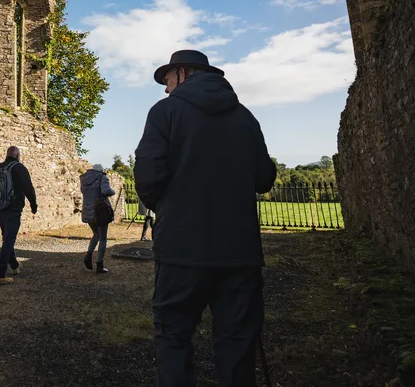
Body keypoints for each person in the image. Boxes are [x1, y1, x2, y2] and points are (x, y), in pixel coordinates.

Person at [134, 50, 277, 387]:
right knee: (237, 341)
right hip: (239, 250)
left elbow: (148, 178)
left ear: (183, 73)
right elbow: (264, 178)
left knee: (173, 335)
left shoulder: (164, 112)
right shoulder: (245, 117)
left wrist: (171, 210)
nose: (166, 88)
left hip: (181, 249)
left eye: (167, 79)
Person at [0, 146, 38, 285]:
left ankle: (15, 265)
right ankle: (0, 274)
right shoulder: (19, 168)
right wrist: (33, 205)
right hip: (13, 208)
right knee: (9, 239)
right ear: (18, 156)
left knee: (7, 237)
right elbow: (28, 188)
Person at [80, 163, 115, 274]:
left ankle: (88, 255)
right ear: (100, 170)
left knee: (96, 235)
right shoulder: (102, 177)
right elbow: (106, 191)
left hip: (88, 212)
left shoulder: (84, 179)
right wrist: (113, 191)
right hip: (100, 211)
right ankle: (100, 265)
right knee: (103, 238)